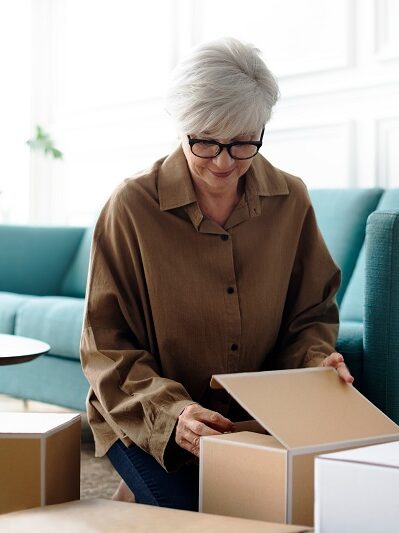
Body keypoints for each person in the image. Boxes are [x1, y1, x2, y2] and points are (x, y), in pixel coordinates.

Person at [80, 36, 354, 511]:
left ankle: (136, 501)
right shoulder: (131, 206)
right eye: (206, 142)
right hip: (151, 419)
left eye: (243, 142)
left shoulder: (290, 200)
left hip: (252, 421)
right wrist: (176, 413)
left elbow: (310, 314)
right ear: (183, 126)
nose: (225, 162)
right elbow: (106, 346)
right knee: (191, 518)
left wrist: (316, 361)